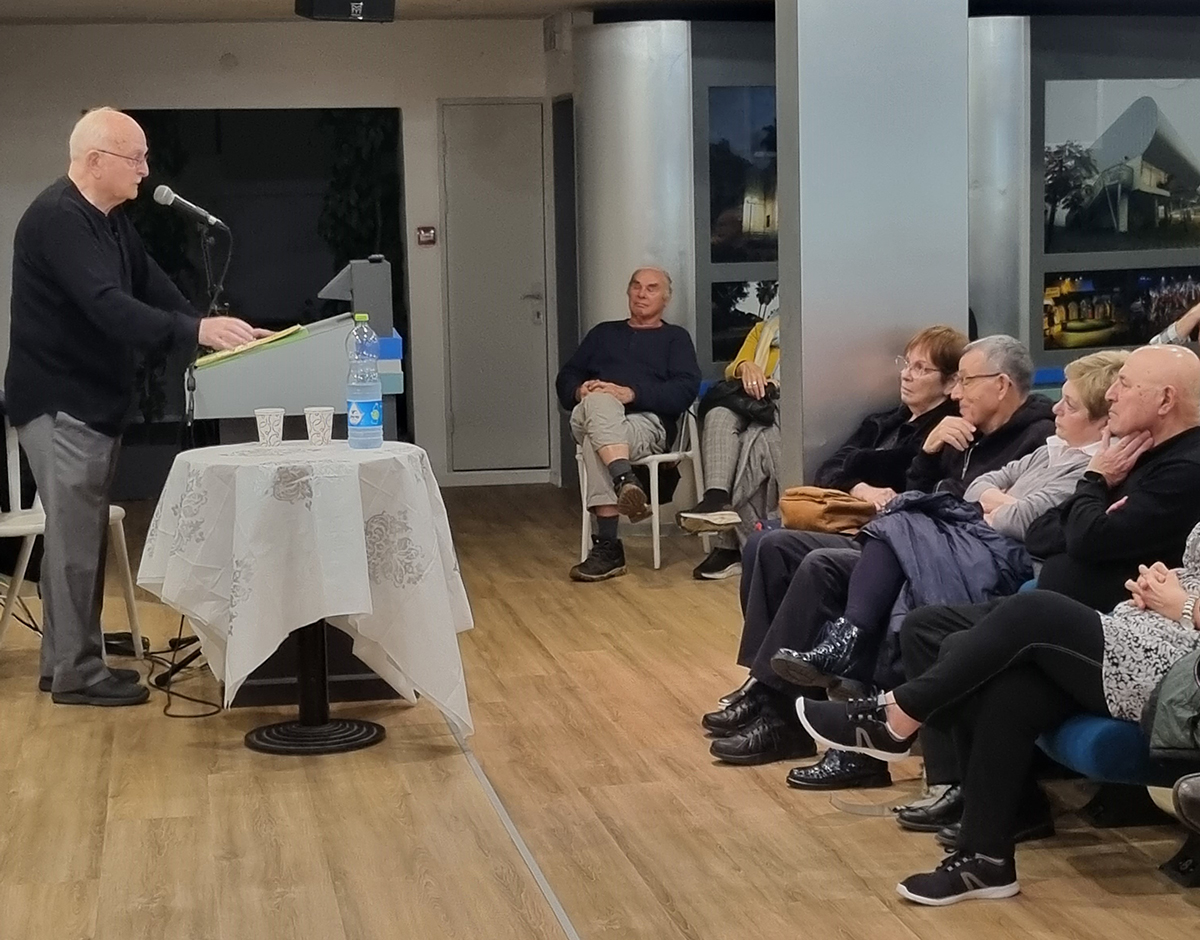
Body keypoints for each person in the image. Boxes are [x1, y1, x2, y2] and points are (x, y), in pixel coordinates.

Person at [706, 335, 1057, 781]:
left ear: (1002, 385)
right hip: (910, 543)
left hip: (956, 559)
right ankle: (774, 698)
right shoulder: (949, 426)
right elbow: (917, 491)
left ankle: (798, 713)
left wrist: (945, 492)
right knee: (774, 545)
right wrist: (928, 454)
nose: (957, 392)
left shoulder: (1037, 438)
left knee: (825, 569)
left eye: (966, 381)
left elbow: (987, 515)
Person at [5, 107, 266, 706]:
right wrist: (193, 332)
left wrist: (209, 330)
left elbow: (149, 285)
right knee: (75, 543)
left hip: (90, 400)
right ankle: (77, 673)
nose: (146, 170)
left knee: (78, 538)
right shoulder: (59, 218)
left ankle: (64, 662)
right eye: (136, 158)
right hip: (61, 401)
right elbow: (105, 305)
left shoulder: (110, 221)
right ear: (96, 161)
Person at [795, 523, 1200, 906]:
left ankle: (895, 717)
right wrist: (1162, 582)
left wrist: (1183, 605)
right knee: (1004, 685)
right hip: (1151, 628)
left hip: (1183, 670)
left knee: (1032, 610)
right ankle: (984, 859)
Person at [891, 344, 1200, 838]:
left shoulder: (1182, 467)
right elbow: (1047, 531)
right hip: (1107, 615)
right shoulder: (1133, 454)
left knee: (983, 637)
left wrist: (1094, 482)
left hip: (1121, 624)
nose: (1113, 395)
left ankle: (897, 719)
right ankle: (976, 822)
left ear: (1165, 400)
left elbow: (1087, 536)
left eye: (1125, 385)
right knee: (931, 625)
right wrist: (1094, 494)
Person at [775, 350, 1126, 698]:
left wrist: (993, 503)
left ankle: (851, 649)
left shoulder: (1082, 464)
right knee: (814, 548)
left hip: (1002, 558)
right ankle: (792, 688)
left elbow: (1022, 521)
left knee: (901, 521)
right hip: (965, 540)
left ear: (1103, 423)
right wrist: (936, 459)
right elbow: (978, 487)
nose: (1056, 409)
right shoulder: (1050, 448)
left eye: (1070, 405)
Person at [556, 267, 701, 582]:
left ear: (666, 298)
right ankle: (625, 479)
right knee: (598, 404)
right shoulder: (603, 333)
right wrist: (581, 390)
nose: (641, 294)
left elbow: (684, 390)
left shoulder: (675, 339)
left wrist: (631, 393)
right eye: (636, 286)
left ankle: (608, 546)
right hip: (592, 415)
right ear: (628, 292)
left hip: (645, 423)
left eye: (651, 288)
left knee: (595, 440)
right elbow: (566, 376)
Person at [678, 313, 782, 581]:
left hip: (787, 406)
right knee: (718, 414)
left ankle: (729, 544)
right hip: (753, 402)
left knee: (752, 442)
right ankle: (715, 498)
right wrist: (745, 367)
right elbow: (733, 367)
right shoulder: (765, 329)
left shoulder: (821, 329)